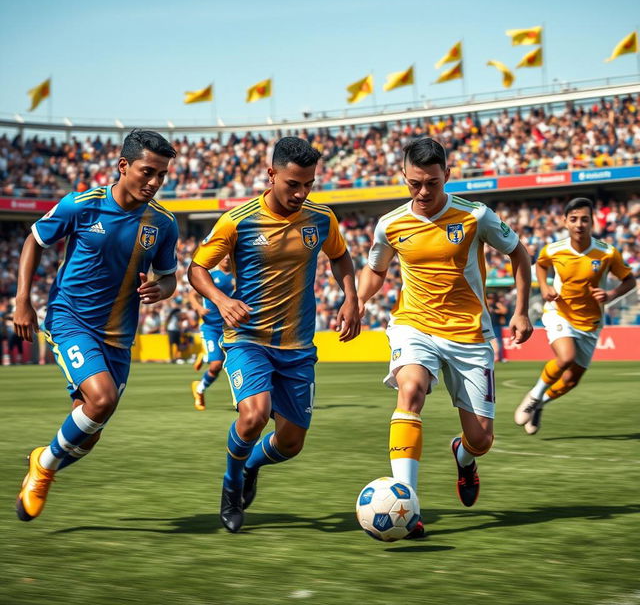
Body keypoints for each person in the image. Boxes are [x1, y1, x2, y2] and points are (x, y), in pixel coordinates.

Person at [357, 137, 532, 538]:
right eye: (414, 183)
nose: (422, 192)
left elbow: (520, 254)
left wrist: (521, 310)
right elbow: (376, 270)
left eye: (431, 184)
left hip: (469, 335)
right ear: (404, 177)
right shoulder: (390, 224)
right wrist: (360, 299)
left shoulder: (476, 216)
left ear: (447, 176)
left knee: (481, 439)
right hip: (414, 324)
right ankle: (409, 506)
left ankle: (464, 457)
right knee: (411, 391)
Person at [188, 136, 360, 533]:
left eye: (308, 184)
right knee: (254, 415)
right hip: (248, 339)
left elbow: (341, 257)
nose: (301, 193)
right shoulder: (238, 220)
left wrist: (351, 298)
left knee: (291, 443)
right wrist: (220, 299)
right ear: (271, 175)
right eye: (293, 184)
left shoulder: (321, 219)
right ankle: (231, 487)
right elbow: (197, 268)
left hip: (298, 346)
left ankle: (251, 465)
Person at [13, 129, 179, 521]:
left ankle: (44, 459)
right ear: (123, 166)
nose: (154, 182)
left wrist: (162, 289)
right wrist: (22, 301)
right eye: (147, 172)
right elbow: (34, 240)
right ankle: (45, 469)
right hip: (71, 321)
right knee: (101, 399)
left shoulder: (163, 223)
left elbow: (169, 275)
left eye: (162, 176)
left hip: (119, 338)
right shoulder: (81, 205)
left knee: (90, 433)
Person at [514, 197, 635, 434]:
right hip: (560, 313)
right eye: (574, 219)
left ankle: (540, 404)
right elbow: (540, 265)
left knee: (571, 380)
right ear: (565, 222)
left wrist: (611, 294)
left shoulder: (607, 253)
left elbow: (629, 281)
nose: (579, 224)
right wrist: (545, 286)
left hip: (591, 323)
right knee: (566, 356)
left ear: (593, 222)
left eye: (585, 219)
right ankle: (533, 396)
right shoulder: (554, 250)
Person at [188, 255, 234, 410]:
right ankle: (199, 390)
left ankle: (205, 356)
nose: (226, 258)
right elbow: (191, 294)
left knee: (235, 363)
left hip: (231, 328)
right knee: (216, 365)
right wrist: (198, 308)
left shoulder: (238, 278)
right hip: (211, 328)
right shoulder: (211, 276)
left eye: (229, 256)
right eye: (224, 256)